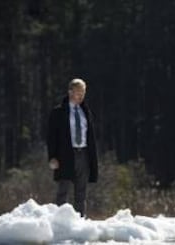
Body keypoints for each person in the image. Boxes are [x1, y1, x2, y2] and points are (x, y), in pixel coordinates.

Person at [47, 78, 98, 218]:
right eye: (78, 92)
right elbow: (51, 137)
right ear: (70, 92)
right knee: (63, 190)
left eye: (83, 92)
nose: (81, 95)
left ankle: (80, 221)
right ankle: (59, 222)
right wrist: (52, 157)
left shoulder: (85, 112)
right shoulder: (58, 112)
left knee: (81, 192)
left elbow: (90, 136)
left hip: (83, 154)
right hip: (65, 155)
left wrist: (92, 158)